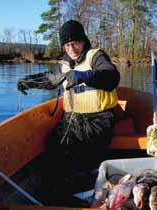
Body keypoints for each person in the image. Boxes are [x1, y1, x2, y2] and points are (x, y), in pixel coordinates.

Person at [45, 19, 120, 169]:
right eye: (67, 45)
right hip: (72, 119)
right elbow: (50, 80)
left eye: (75, 43)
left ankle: (87, 182)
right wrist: (29, 81)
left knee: (81, 147)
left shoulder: (96, 56)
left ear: (83, 41)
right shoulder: (64, 65)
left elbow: (112, 76)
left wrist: (83, 76)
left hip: (99, 119)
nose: (71, 49)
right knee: (52, 144)